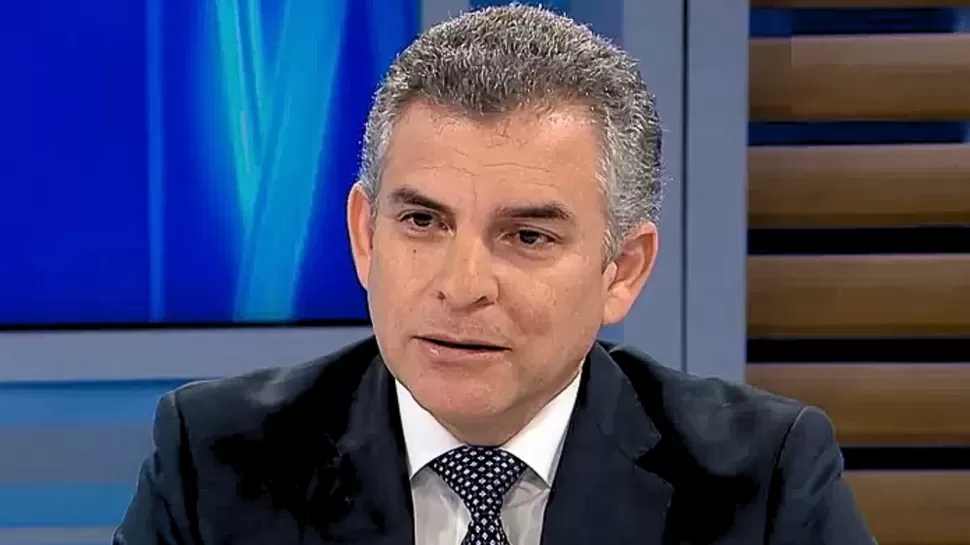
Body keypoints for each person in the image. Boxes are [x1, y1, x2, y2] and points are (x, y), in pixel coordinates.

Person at [115, 5, 874, 544]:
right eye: (423, 222)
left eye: (527, 235)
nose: (463, 284)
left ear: (622, 270)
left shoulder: (763, 481)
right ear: (365, 236)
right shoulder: (216, 458)